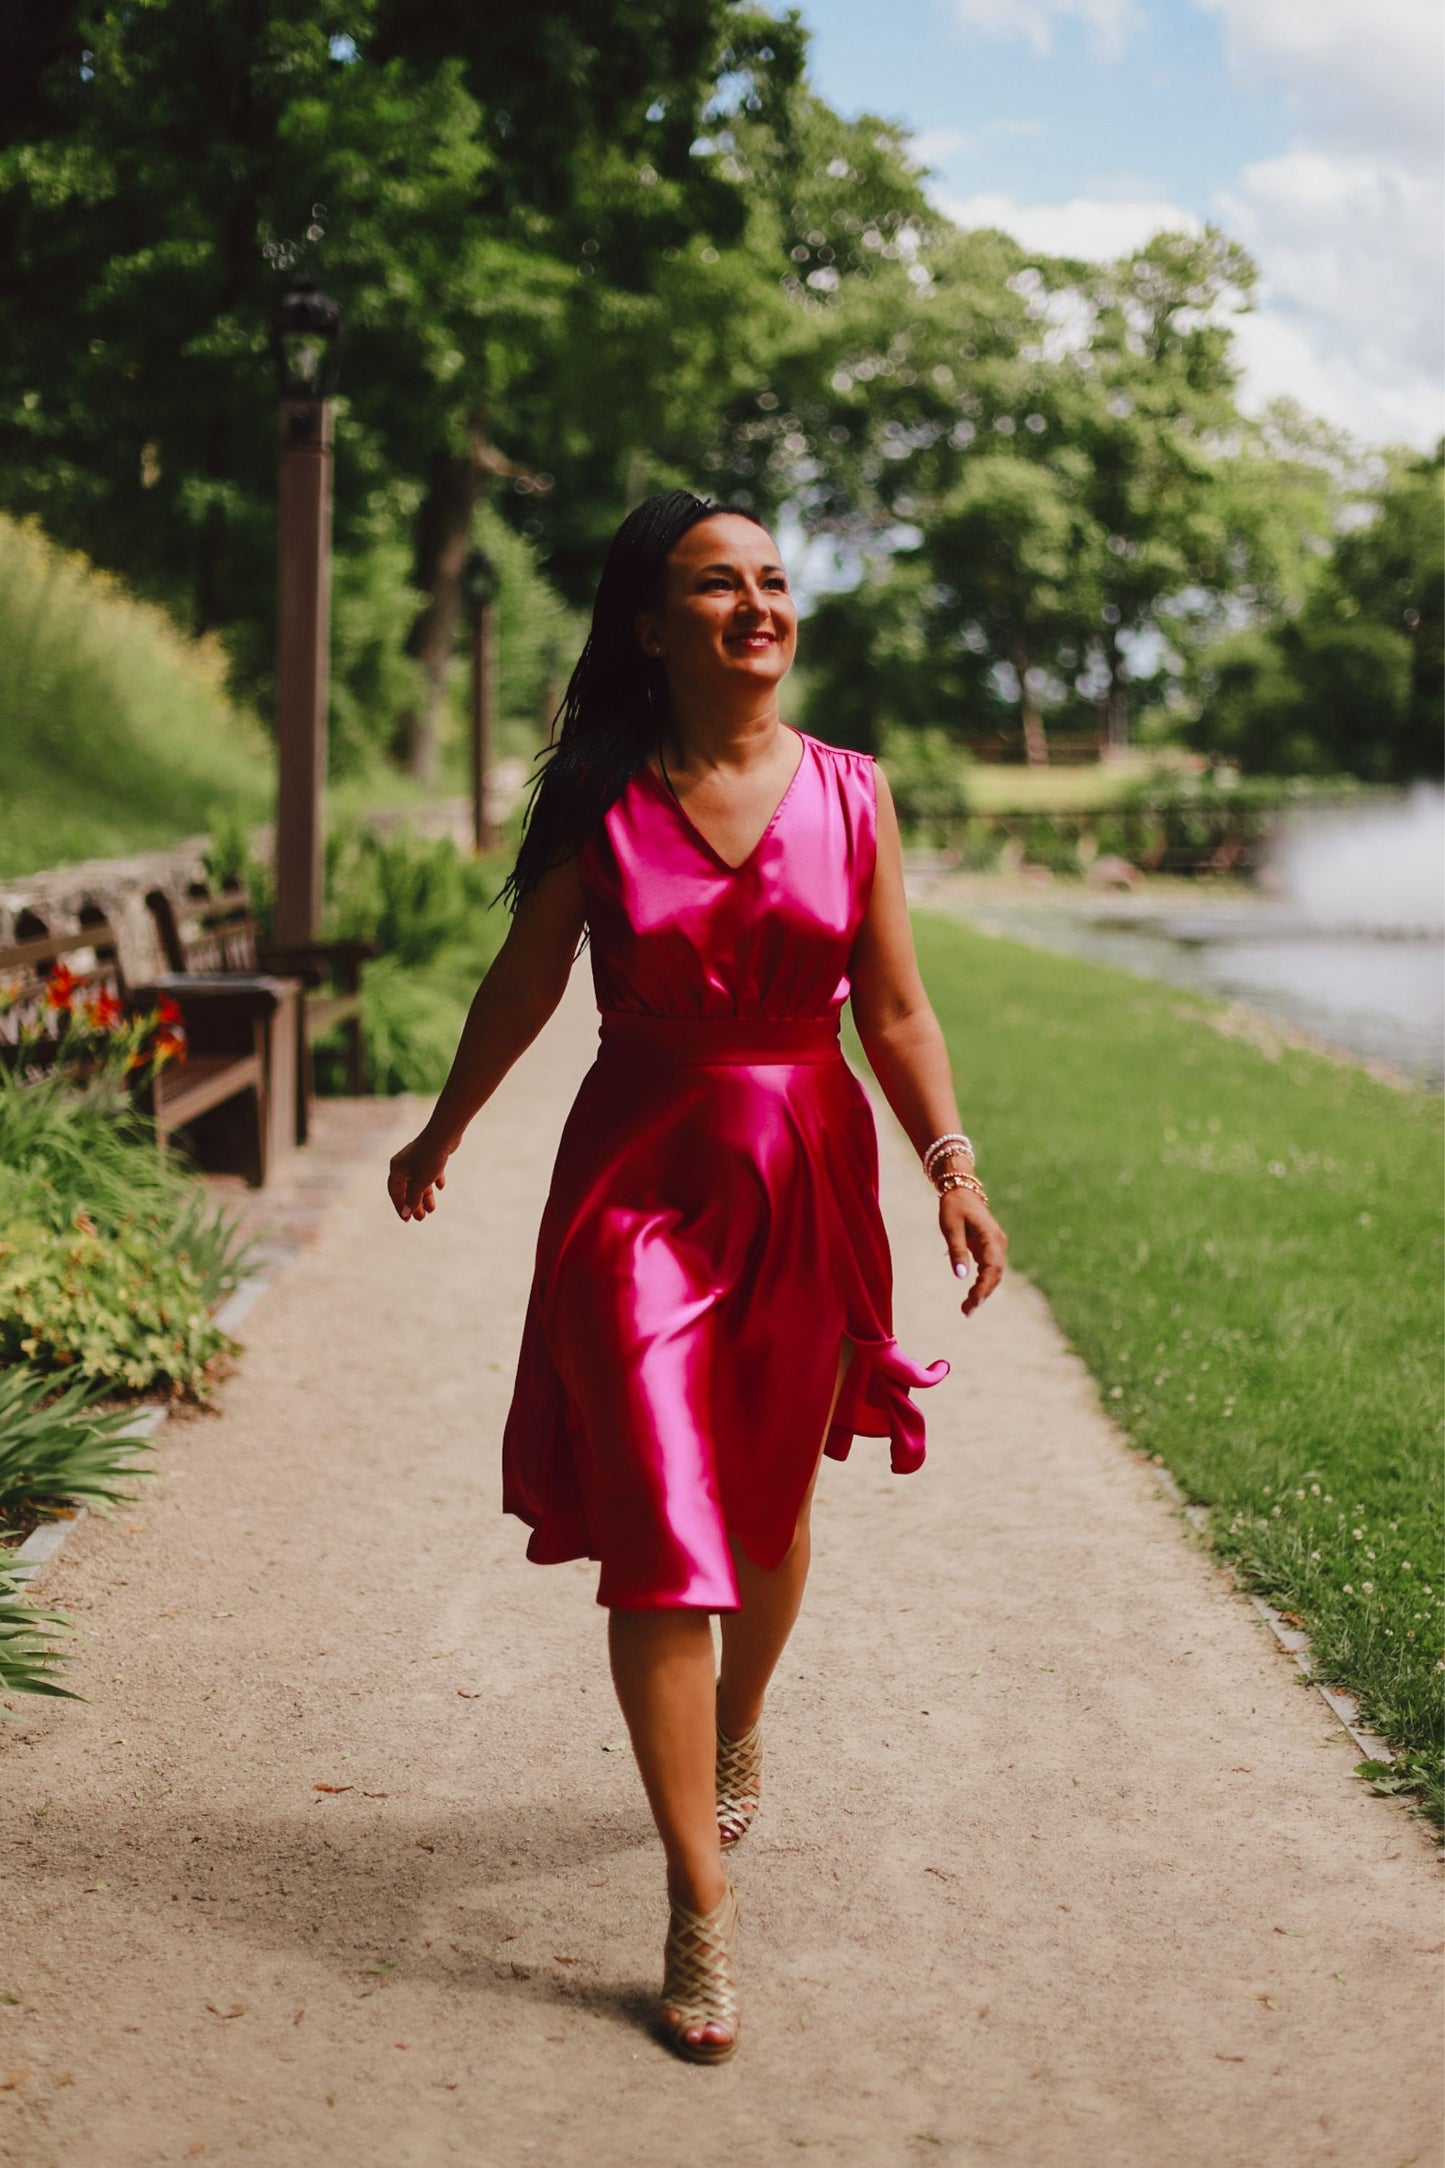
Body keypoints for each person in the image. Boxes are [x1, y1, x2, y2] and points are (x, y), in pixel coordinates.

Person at [386, 489, 1007, 2065]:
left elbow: (900, 1011)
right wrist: (439, 1130)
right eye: (712, 586)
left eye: (772, 581)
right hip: (634, 1193)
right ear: (650, 627)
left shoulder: (854, 795)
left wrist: (950, 1167)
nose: (755, 606)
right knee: (665, 1528)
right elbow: (524, 986)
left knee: (774, 1501)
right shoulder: (603, 801)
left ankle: (737, 1726)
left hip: (803, 1171)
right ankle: (697, 1900)